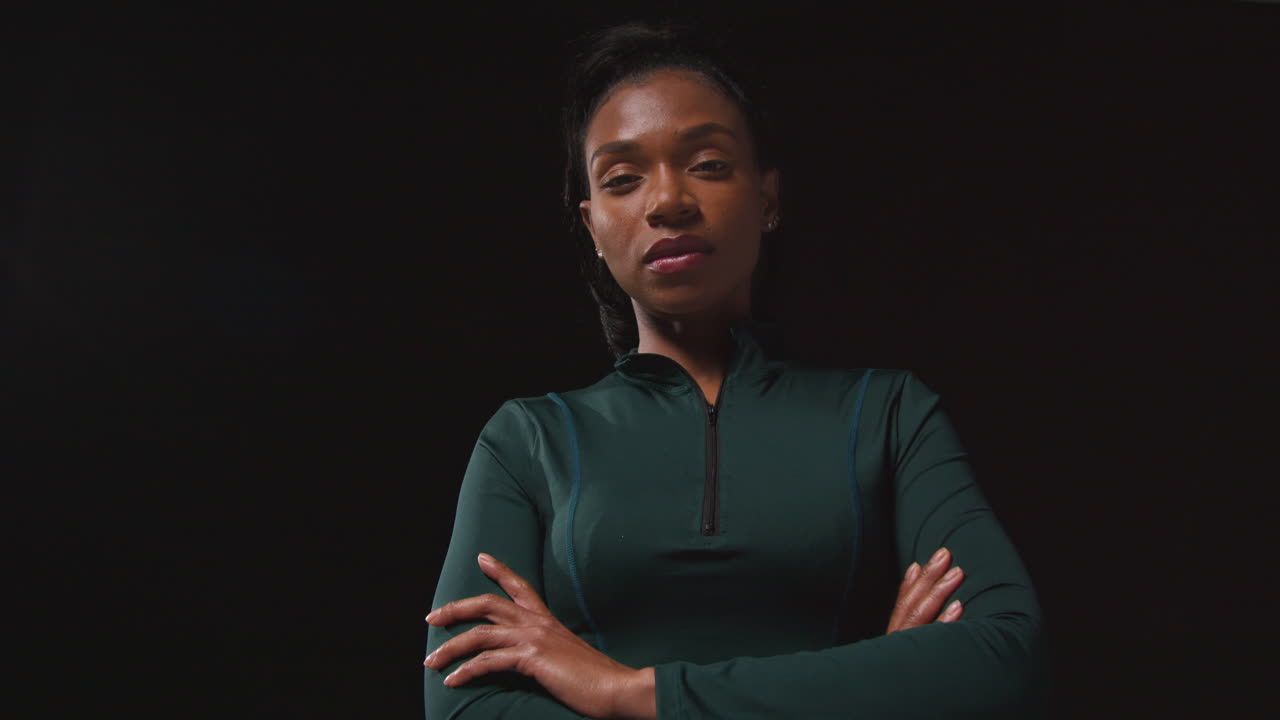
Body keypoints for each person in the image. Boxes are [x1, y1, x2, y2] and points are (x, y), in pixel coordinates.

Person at [423, 20, 1050, 719]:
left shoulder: (890, 415)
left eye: (709, 164)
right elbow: (466, 710)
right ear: (593, 226)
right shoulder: (526, 441)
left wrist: (630, 693)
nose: (667, 202)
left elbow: (1003, 656)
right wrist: (864, 689)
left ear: (768, 197)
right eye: (623, 179)